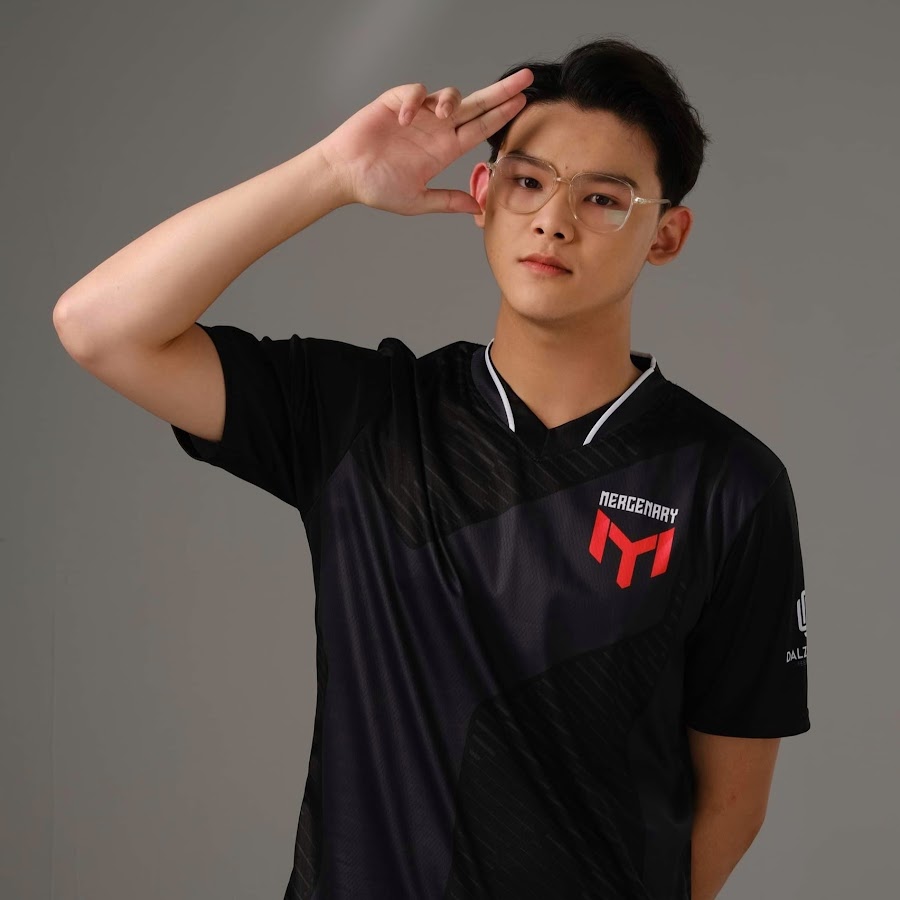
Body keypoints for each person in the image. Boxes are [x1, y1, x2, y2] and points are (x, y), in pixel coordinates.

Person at [54, 36, 809, 900]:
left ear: (666, 235)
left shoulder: (728, 485)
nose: (554, 220)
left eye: (603, 198)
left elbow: (731, 808)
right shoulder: (364, 417)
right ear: (481, 195)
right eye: (528, 182)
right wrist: (332, 173)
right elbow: (99, 326)